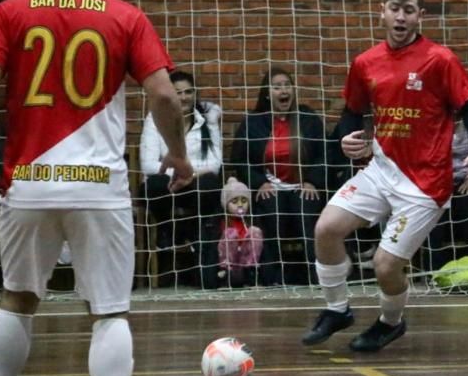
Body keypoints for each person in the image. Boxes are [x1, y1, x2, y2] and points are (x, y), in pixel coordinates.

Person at [0, 0, 193, 376]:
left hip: (29, 181)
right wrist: (177, 154)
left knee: (16, 298)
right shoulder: (126, 17)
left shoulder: (8, 13)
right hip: (99, 187)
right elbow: (168, 98)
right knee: (108, 310)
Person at [301, 0, 468, 352]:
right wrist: (346, 138)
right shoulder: (365, 62)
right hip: (381, 169)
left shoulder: (440, 59)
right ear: (382, 11)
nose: (401, 17)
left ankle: (390, 322)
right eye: (394, 8)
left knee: (385, 266)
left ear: (421, 15)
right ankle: (337, 309)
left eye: (409, 10)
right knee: (326, 228)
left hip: (425, 183)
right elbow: (352, 113)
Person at [230, 66, 327, 285]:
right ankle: (273, 276)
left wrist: (312, 181)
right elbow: (240, 160)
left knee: (306, 209)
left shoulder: (308, 118)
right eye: (277, 87)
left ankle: (317, 274)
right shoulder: (253, 123)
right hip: (271, 186)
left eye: (287, 85)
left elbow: (324, 153)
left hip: (302, 185)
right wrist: (259, 183)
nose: (283, 91)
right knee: (271, 207)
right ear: (267, 93)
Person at [139, 69, 222, 286]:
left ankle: (197, 236)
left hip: (195, 186)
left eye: (189, 92)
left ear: (195, 94)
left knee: (211, 185)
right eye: (178, 93)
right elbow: (148, 164)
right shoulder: (154, 118)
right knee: (153, 185)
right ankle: (167, 231)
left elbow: (215, 164)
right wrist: (178, 172)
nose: (184, 97)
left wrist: (189, 174)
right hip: (168, 187)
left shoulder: (208, 119)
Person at [422, 118, 468, 272]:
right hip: (438, 180)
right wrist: (439, 182)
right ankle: (433, 271)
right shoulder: (433, 118)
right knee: (432, 209)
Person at [217, 177, 263, 288]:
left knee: (255, 232)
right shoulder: (219, 222)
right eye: (234, 201)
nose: (240, 205)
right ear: (226, 205)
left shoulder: (252, 221)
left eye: (244, 201)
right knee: (230, 233)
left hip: (245, 269)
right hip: (228, 270)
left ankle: (251, 275)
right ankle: (226, 277)